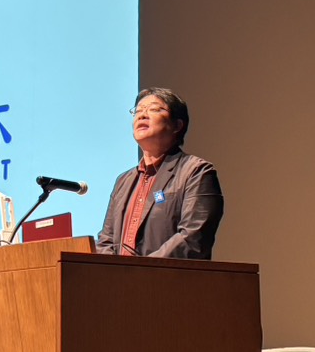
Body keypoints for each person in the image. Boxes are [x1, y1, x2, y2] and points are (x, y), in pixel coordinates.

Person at [95, 87, 223, 259]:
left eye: (154, 109)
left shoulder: (196, 171)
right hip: (119, 276)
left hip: (168, 275)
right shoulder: (123, 181)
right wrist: (111, 269)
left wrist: (139, 270)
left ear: (177, 125)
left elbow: (192, 238)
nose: (142, 115)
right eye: (138, 111)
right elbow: (106, 240)